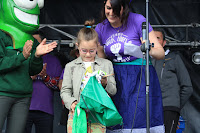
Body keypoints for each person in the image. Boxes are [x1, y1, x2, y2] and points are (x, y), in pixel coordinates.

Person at [95, 0, 165, 132]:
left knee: (140, 119)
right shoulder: (100, 28)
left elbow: (160, 53)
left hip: (139, 76)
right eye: (108, 8)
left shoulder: (138, 20)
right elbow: (101, 59)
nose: (111, 13)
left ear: (124, 8)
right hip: (115, 78)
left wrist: (146, 48)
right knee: (117, 122)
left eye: (116, 10)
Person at [0, 1, 57, 132]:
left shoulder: (30, 39)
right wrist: (21, 56)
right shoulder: (2, 35)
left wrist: (37, 56)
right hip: (2, 93)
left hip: (23, 96)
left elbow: (34, 70)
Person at [60, 20, 117, 133]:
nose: (87, 54)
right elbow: (65, 90)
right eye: (84, 50)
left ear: (98, 46)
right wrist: (71, 102)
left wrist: (105, 84)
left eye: (92, 51)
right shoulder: (70, 66)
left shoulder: (106, 64)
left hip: (98, 114)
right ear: (77, 46)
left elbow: (113, 91)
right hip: (77, 113)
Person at [152, 28, 193, 133]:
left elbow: (187, 87)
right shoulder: (143, 60)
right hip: (149, 107)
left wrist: (175, 105)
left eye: (158, 38)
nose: (154, 41)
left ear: (164, 42)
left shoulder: (174, 58)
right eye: (152, 38)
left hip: (168, 108)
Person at [24, 32, 62, 133]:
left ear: (43, 43)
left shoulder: (53, 60)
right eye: (31, 41)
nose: (34, 44)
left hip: (45, 110)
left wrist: (45, 76)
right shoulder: (24, 58)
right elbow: (14, 83)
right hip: (23, 107)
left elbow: (59, 86)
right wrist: (31, 76)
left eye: (36, 41)